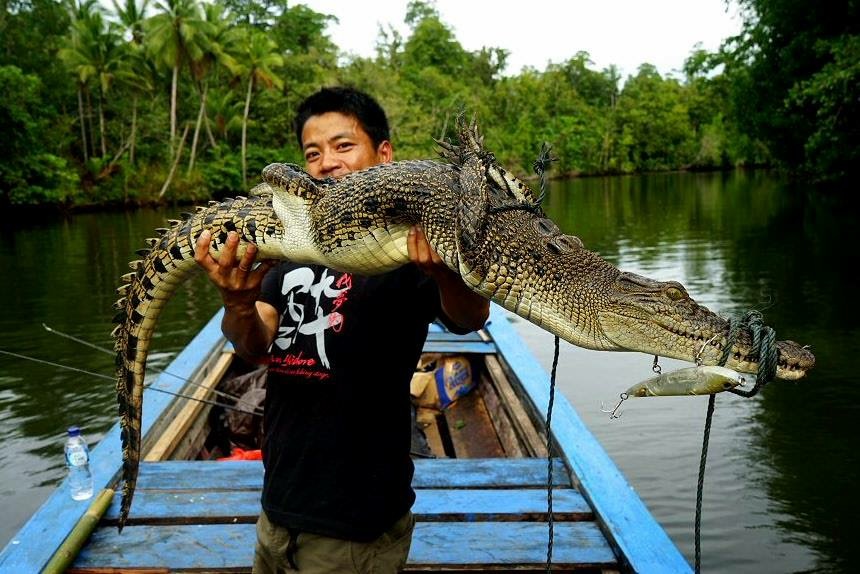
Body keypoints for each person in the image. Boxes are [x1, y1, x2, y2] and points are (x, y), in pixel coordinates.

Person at [194, 86, 489, 573]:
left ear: (383, 154)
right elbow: (255, 341)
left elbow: (469, 319)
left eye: (343, 145)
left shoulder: (407, 239)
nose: (327, 162)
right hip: (278, 504)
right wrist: (237, 301)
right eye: (313, 153)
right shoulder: (291, 242)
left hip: (358, 520)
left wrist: (444, 270)